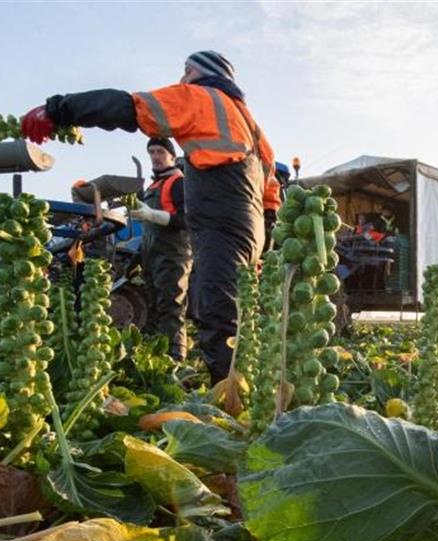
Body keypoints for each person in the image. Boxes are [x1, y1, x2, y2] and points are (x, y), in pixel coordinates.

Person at [21, 50, 280, 384]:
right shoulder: (251, 125)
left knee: (216, 308)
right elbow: (271, 184)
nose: (182, 78)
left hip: (220, 219)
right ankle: (243, 385)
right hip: (248, 221)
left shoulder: (201, 98)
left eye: (186, 71)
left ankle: (233, 400)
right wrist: (268, 228)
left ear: (200, 73)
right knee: (230, 304)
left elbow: (130, 107)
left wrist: (58, 109)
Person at [128, 137, 191, 360]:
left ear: (172, 156)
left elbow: (187, 220)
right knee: (153, 308)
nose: (155, 157)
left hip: (173, 255)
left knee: (171, 307)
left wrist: (153, 214)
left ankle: (176, 361)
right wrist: (136, 258)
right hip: (151, 255)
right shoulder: (153, 187)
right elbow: (148, 231)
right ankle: (156, 359)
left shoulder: (179, 182)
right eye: (152, 152)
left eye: (160, 152)